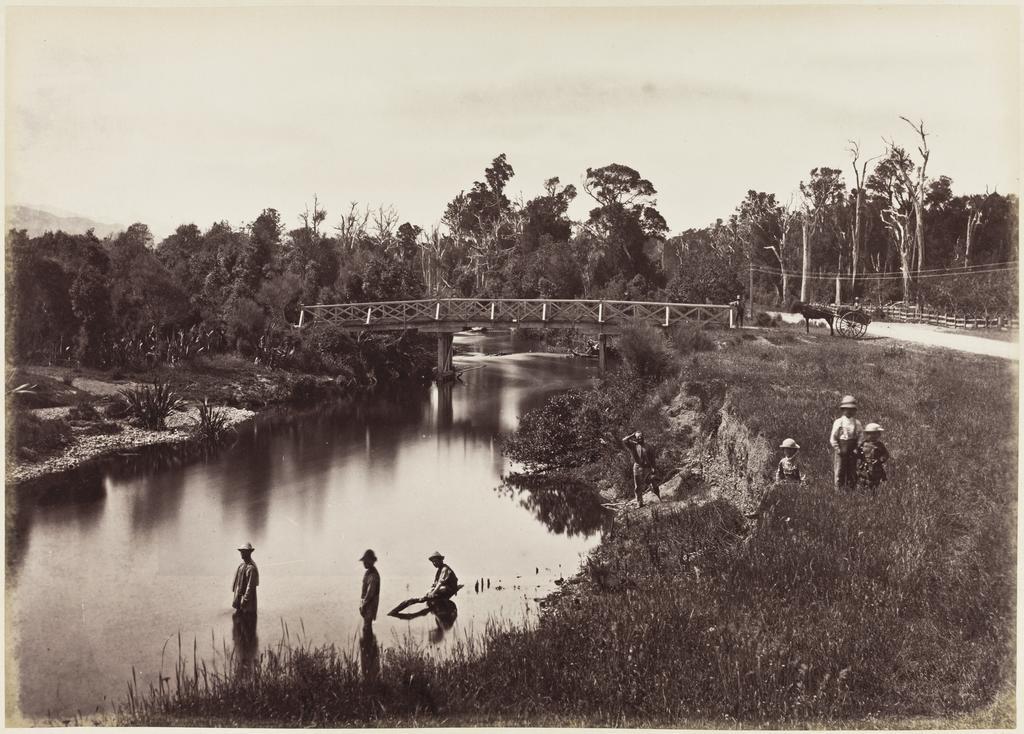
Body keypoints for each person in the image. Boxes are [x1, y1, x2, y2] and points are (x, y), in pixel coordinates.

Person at [388, 551, 462, 617]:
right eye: (433, 562)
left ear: (440, 560)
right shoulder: (439, 570)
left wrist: (433, 592)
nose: (434, 563)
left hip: (449, 589)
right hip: (444, 589)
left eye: (435, 561)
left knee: (434, 593)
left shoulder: (445, 569)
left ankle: (431, 607)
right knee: (427, 595)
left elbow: (440, 583)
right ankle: (430, 606)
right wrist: (429, 592)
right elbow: (435, 584)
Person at [829, 395, 864, 491]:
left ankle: (851, 487)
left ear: (855, 410)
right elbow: (833, 437)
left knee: (852, 469)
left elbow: (861, 436)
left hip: (853, 450)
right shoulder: (839, 422)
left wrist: (857, 447)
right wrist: (837, 448)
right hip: (841, 450)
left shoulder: (857, 423)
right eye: (847, 409)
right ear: (843, 410)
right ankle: (838, 488)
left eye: (852, 409)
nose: (849, 411)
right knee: (840, 469)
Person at [622, 431, 659, 507]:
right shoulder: (633, 445)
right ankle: (640, 503)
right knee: (638, 486)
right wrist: (632, 435)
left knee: (653, 481)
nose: (640, 438)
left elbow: (652, 459)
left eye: (641, 436)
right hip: (637, 467)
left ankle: (658, 497)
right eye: (638, 437)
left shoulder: (648, 446)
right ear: (635, 438)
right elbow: (624, 440)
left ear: (643, 437)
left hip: (647, 468)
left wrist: (654, 468)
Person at [856, 423, 890, 495]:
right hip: (865, 466)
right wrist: (857, 453)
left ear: (879, 435)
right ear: (866, 434)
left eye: (875, 434)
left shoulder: (880, 445)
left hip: (876, 467)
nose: (872, 436)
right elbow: (858, 453)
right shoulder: (863, 444)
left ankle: (874, 493)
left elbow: (886, 454)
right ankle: (863, 493)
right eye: (870, 434)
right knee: (863, 479)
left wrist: (880, 460)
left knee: (876, 480)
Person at [231, 542, 259, 615]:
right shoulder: (241, 566)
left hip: (247, 601)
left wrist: (245, 600)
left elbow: (250, 586)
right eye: (241, 552)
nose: (242, 553)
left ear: (249, 553)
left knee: (246, 619)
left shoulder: (251, 568)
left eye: (244, 552)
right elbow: (237, 583)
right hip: (240, 598)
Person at [359, 549, 380, 627]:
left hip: (370, 605)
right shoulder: (368, 572)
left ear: (371, 561)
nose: (364, 563)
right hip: (367, 605)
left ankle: (368, 639)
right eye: (364, 561)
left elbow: (370, 592)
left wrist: (363, 605)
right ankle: (368, 639)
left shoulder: (373, 575)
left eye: (366, 561)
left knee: (367, 627)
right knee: (366, 627)